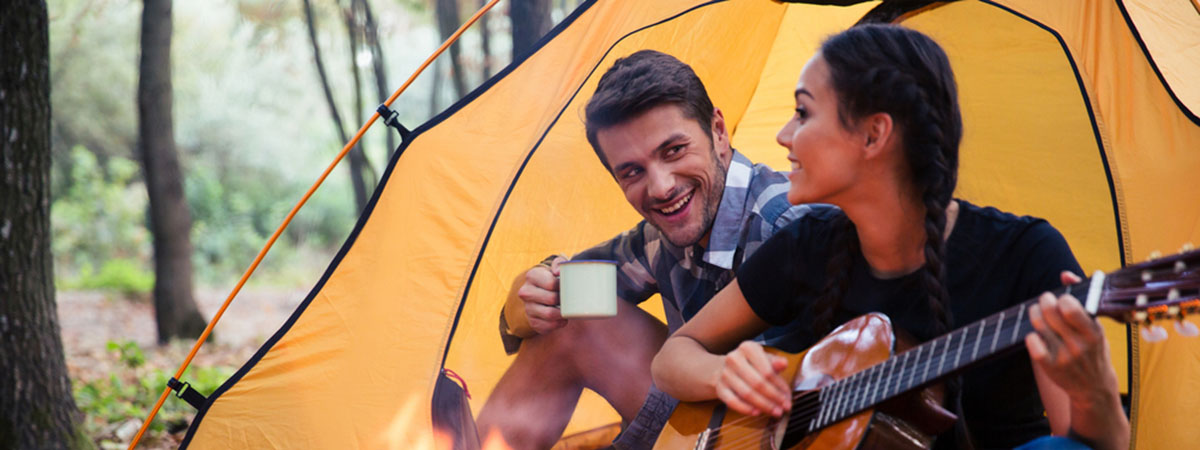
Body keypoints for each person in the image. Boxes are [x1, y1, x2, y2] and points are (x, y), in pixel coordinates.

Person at [651, 24, 1129, 450]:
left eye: (802, 112)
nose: (782, 135)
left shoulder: (1025, 255)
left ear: (873, 135)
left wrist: (1097, 392)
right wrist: (724, 375)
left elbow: (1085, 445)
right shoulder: (807, 245)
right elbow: (672, 357)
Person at [474, 50, 821, 449]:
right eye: (632, 171)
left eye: (673, 150)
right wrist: (525, 304)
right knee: (573, 316)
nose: (660, 187)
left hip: (790, 433)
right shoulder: (657, 241)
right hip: (701, 422)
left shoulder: (790, 227)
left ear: (719, 132)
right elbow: (563, 287)